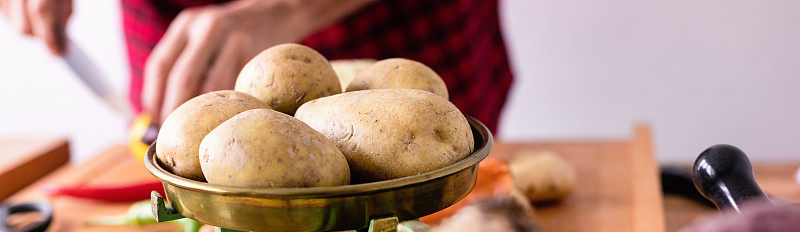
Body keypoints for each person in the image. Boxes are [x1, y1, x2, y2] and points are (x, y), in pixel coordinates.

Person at [1, 0, 512, 131]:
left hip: (385, 30)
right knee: (182, 146)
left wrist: (291, 9)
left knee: (426, 174)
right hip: (174, 22)